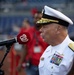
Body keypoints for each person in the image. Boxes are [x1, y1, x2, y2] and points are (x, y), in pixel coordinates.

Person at [36, 5, 74, 75]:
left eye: (44, 27)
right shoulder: (48, 50)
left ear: (58, 28)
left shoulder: (72, 52)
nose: (41, 30)